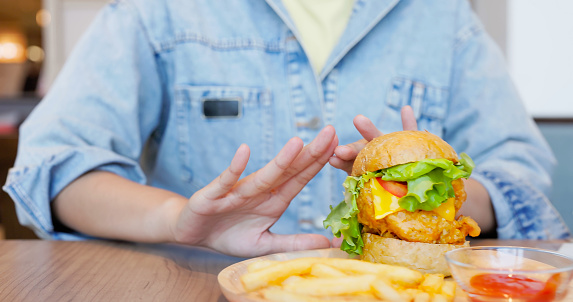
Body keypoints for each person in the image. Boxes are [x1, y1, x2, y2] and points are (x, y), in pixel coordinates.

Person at [3, 0, 569, 257]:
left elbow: (520, 170)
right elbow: (55, 165)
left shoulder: (441, 17)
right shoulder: (157, 11)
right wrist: (178, 219)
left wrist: (428, 197)